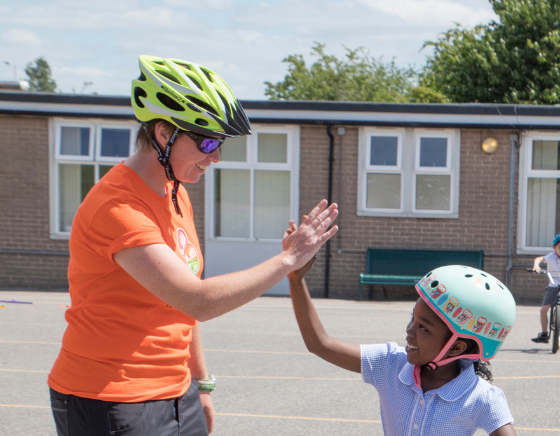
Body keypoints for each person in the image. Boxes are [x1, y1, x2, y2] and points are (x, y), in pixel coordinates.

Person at [48, 55, 338, 436]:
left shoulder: (174, 192)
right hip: (110, 398)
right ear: (165, 133)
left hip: (175, 390)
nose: (215, 156)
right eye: (207, 141)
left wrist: (200, 385)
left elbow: (180, 306)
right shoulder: (117, 207)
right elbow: (197, 299)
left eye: (219, 143)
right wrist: (287, 259)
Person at [288, 254, 517, 435]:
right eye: (412, 319)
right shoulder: (390, 364)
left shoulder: (481, 397)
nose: (409, 331)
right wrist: (296, 280)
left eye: (423, 328)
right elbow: (320, 343)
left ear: (456, 348)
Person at [531, 234, 560, 343]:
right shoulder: (551, 256)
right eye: (559, 247)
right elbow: (539, 259)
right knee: (543, 310)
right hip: (553, 286)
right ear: (554, 248)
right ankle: (544, 334)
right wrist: (537, 265)